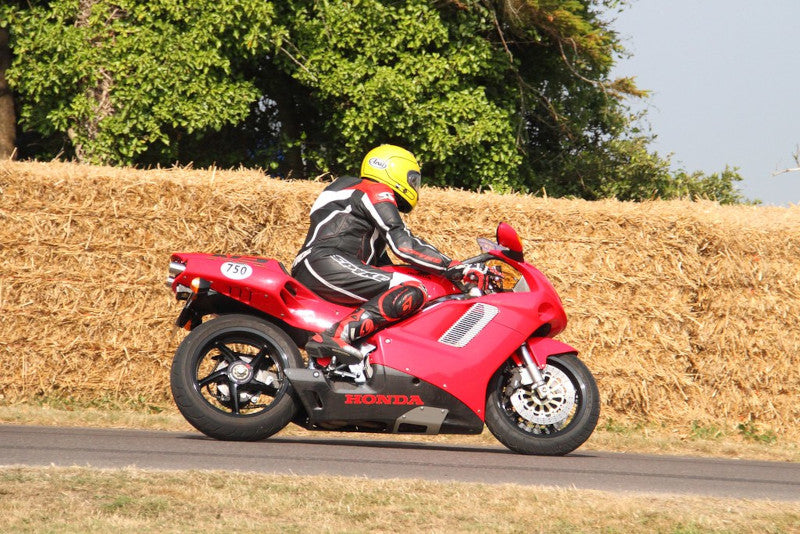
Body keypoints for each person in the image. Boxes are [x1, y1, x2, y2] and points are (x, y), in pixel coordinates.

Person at [292, 144, 470, 365]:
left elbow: (386, 267)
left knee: (398, 290)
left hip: (321, 264)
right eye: (412, 179)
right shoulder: (373, 190)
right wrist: (454, 266)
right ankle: (336, 335)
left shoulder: (353, 196)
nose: (415, 185)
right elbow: (403, 244)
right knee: (413, 288)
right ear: (392, 169)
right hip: (327, 261)